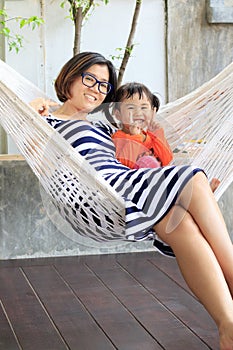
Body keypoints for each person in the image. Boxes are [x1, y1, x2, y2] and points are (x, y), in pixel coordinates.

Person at [32, 51, 233, 350]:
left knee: (183, 226)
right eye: (89, 79)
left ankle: (228, 327)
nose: (96, 89)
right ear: (69, 78)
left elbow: (153, 129)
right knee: (193, 176)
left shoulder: (103, 127)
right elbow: (32, 134)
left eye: (103, 85)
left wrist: (217, 97)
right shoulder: (45, 122)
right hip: (99, 196)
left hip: (126, 188)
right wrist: (36, 106)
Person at [111, 82, 173, 169]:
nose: (138, 113)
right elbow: (124, 163)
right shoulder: (118, 138)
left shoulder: (150, 137)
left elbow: (166, 160)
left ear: (152, 112)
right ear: (118, 115)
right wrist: (135, 137)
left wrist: (157, 135)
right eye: (131, 108)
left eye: (144, 108)